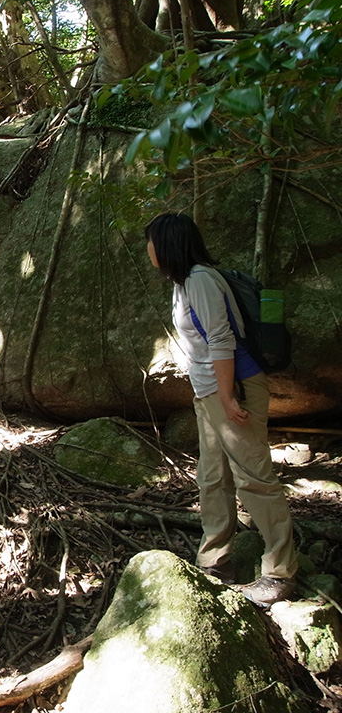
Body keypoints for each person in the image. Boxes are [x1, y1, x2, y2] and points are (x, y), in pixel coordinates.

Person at [145, 212, 298, 607]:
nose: (148, 250)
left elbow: (221, 339)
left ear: (167, 245)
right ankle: (215, 560)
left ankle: (280, 572)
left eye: (151, 242)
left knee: (253, 477)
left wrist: (228, 398)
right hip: (210, 391)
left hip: (234, 388)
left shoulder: (200, 280)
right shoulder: (183, 283)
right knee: (212, 476)